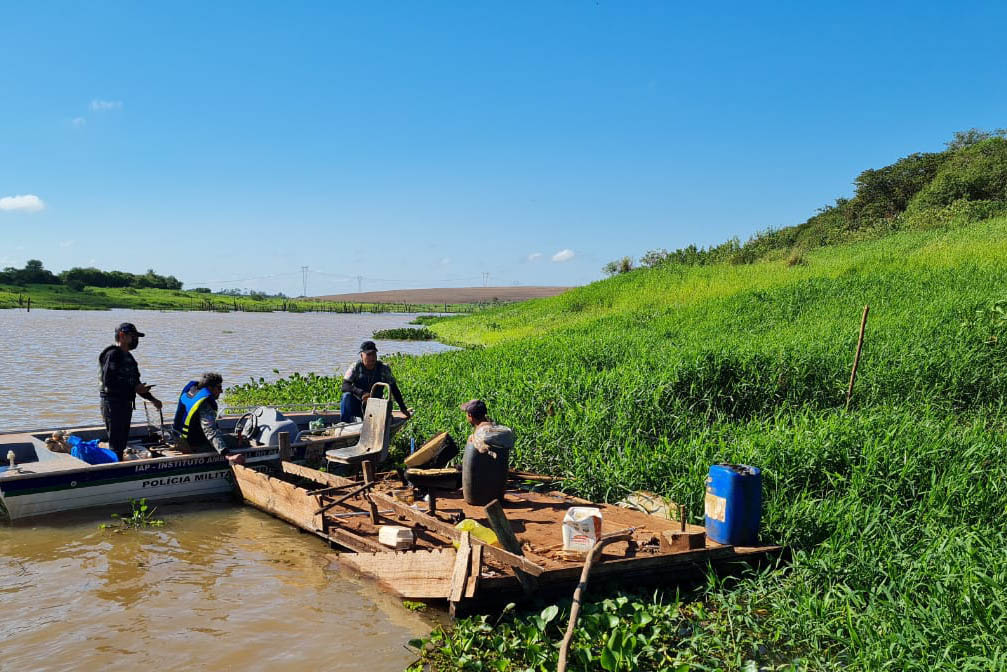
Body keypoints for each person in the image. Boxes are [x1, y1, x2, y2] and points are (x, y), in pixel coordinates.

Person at [98, 322, 162, 460]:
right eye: (133, 336)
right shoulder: (112, 354)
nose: (135, 340)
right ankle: (116, 467)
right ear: (122, 336)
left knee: (122, 438)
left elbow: (136, 383)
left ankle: (118, 460)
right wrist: (133, 388)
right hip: (113, 403)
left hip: (125, 403)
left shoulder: (129, 358)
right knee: (116, 440)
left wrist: (152, 399)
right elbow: (109, 381)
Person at [172, 372, 245, 464]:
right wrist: (227, 454)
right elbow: (210, 430)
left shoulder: (191, 390)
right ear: (210, 388)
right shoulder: (205, 403)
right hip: (192, 445)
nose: (221, 391)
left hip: (177, 438)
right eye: (219, 388)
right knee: (241, 441)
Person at [340, 340, 411, 422]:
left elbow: (394, 388)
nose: (372, 357)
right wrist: (361, 393)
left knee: (385, 417)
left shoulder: (383, 368)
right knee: (346, 396)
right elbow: (345, 386)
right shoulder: (355, 367)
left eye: (374, 354)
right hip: (358, 404)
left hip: (376, 405)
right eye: (368, 354)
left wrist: (403, 408)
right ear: (361, 356)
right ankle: (345, 424)